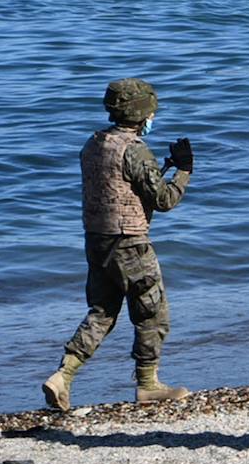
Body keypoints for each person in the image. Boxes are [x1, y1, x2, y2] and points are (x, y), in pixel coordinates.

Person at [41, 78, 194, 412]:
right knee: (152, 314)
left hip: (97, 241)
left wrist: (158, 169)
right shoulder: (135, 149)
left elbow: (118, 184)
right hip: (130, 243)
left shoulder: (94, 143)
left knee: (102, 311)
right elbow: (164, 200)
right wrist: (183, 170)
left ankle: (62, 376)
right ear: (142, 112)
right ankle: (149, 385)